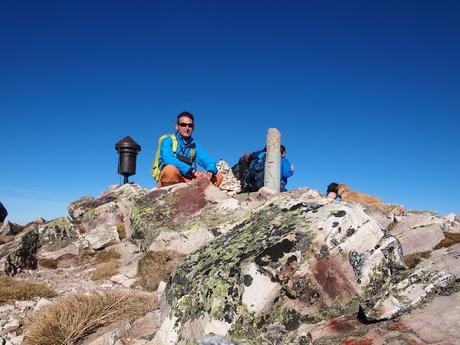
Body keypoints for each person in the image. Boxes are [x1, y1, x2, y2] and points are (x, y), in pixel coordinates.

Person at [152, 111, 223, 187]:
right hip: (170, 179)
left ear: (193, 127)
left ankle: (195, 195)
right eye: (183, 125)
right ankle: (171, 196)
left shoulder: (194, 145)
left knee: (218, 176)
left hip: (186, 179)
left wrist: (210, 173)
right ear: (177, 126)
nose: (187, 128)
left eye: (190, 125)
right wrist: (193, 171)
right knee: (170, 170)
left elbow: (208, 161)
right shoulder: (167, 140)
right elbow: (168, 158)